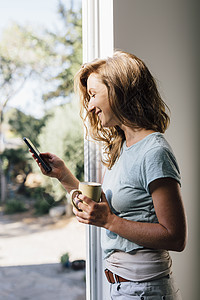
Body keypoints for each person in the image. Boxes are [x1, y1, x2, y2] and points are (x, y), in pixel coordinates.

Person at [33, 51, 187, 299]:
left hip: (144, 290)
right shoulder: (123, 147)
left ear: (118, 90)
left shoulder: (154, 150)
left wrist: (109, 221)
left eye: (94, 95)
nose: (90, 106)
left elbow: (175, 236)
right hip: (125, 288)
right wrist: (64, 177)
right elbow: (103, 208)